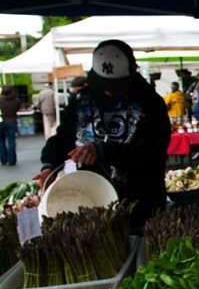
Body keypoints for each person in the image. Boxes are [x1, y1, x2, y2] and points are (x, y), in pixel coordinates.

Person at [34, 39, 170, 232]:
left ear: (132, 72)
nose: (109, 90)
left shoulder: (151, 104)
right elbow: (63, 138)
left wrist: (103, 150)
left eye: (116, 85)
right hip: (93, 198)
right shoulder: (82, 100)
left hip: (141, 203)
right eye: (105, 84)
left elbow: (153, 152)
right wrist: (49, 165)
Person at [0, 85, 21, 166]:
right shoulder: (16, 100)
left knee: (1, 141)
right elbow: (17, 108)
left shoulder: (0, 100)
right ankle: (12, 160)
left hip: (1, 121)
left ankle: (3, 159)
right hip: (12, 121)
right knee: (11, 141)